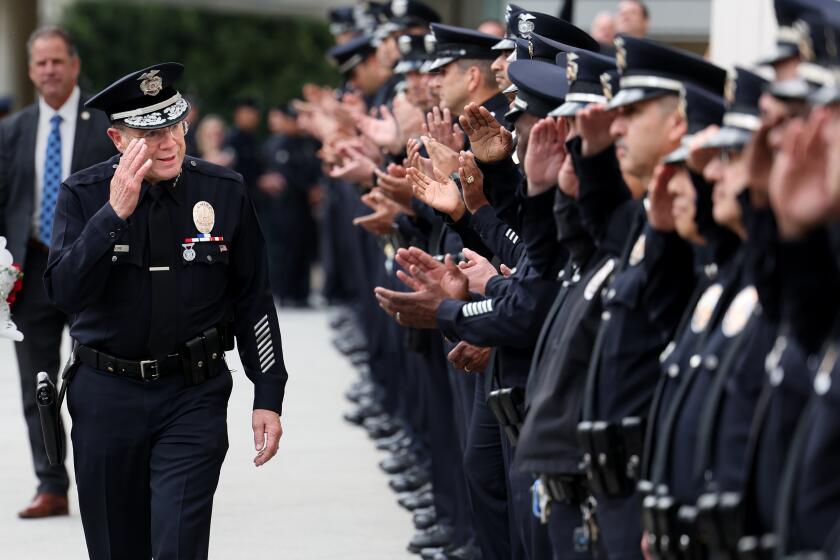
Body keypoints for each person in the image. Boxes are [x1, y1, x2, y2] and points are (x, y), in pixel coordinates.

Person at [43, 62, 288, 559]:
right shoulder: (84, 195)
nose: (169, 142)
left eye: (175, 125)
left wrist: (268, 393)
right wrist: (113, 217)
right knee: (117, 548)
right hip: (107, 395)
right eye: (149, 133)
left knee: (179, 544)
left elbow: (254, 301)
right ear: (116, 138)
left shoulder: (223, 191)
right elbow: (64, 293)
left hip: (191, 395)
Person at [0, 25, 115, 519]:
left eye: (57, 61)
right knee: (37, 386)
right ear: (30, 71)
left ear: (75, 65)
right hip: (31, 275)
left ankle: (108, 478)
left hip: (95, 273)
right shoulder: (13, 130)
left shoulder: (106, 124)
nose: (49, 70)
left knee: (102, 383)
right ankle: (52, 484)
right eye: (40, 63)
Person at [260, 105, 321, 306]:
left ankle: (301, 293)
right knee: (285, 250)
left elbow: (312, 169)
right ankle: (284, 292)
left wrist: (314, 187)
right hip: (284, 206)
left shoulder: (306, 143)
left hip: (304, 206)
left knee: (303, 249)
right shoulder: (277, 144)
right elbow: (280, 174)